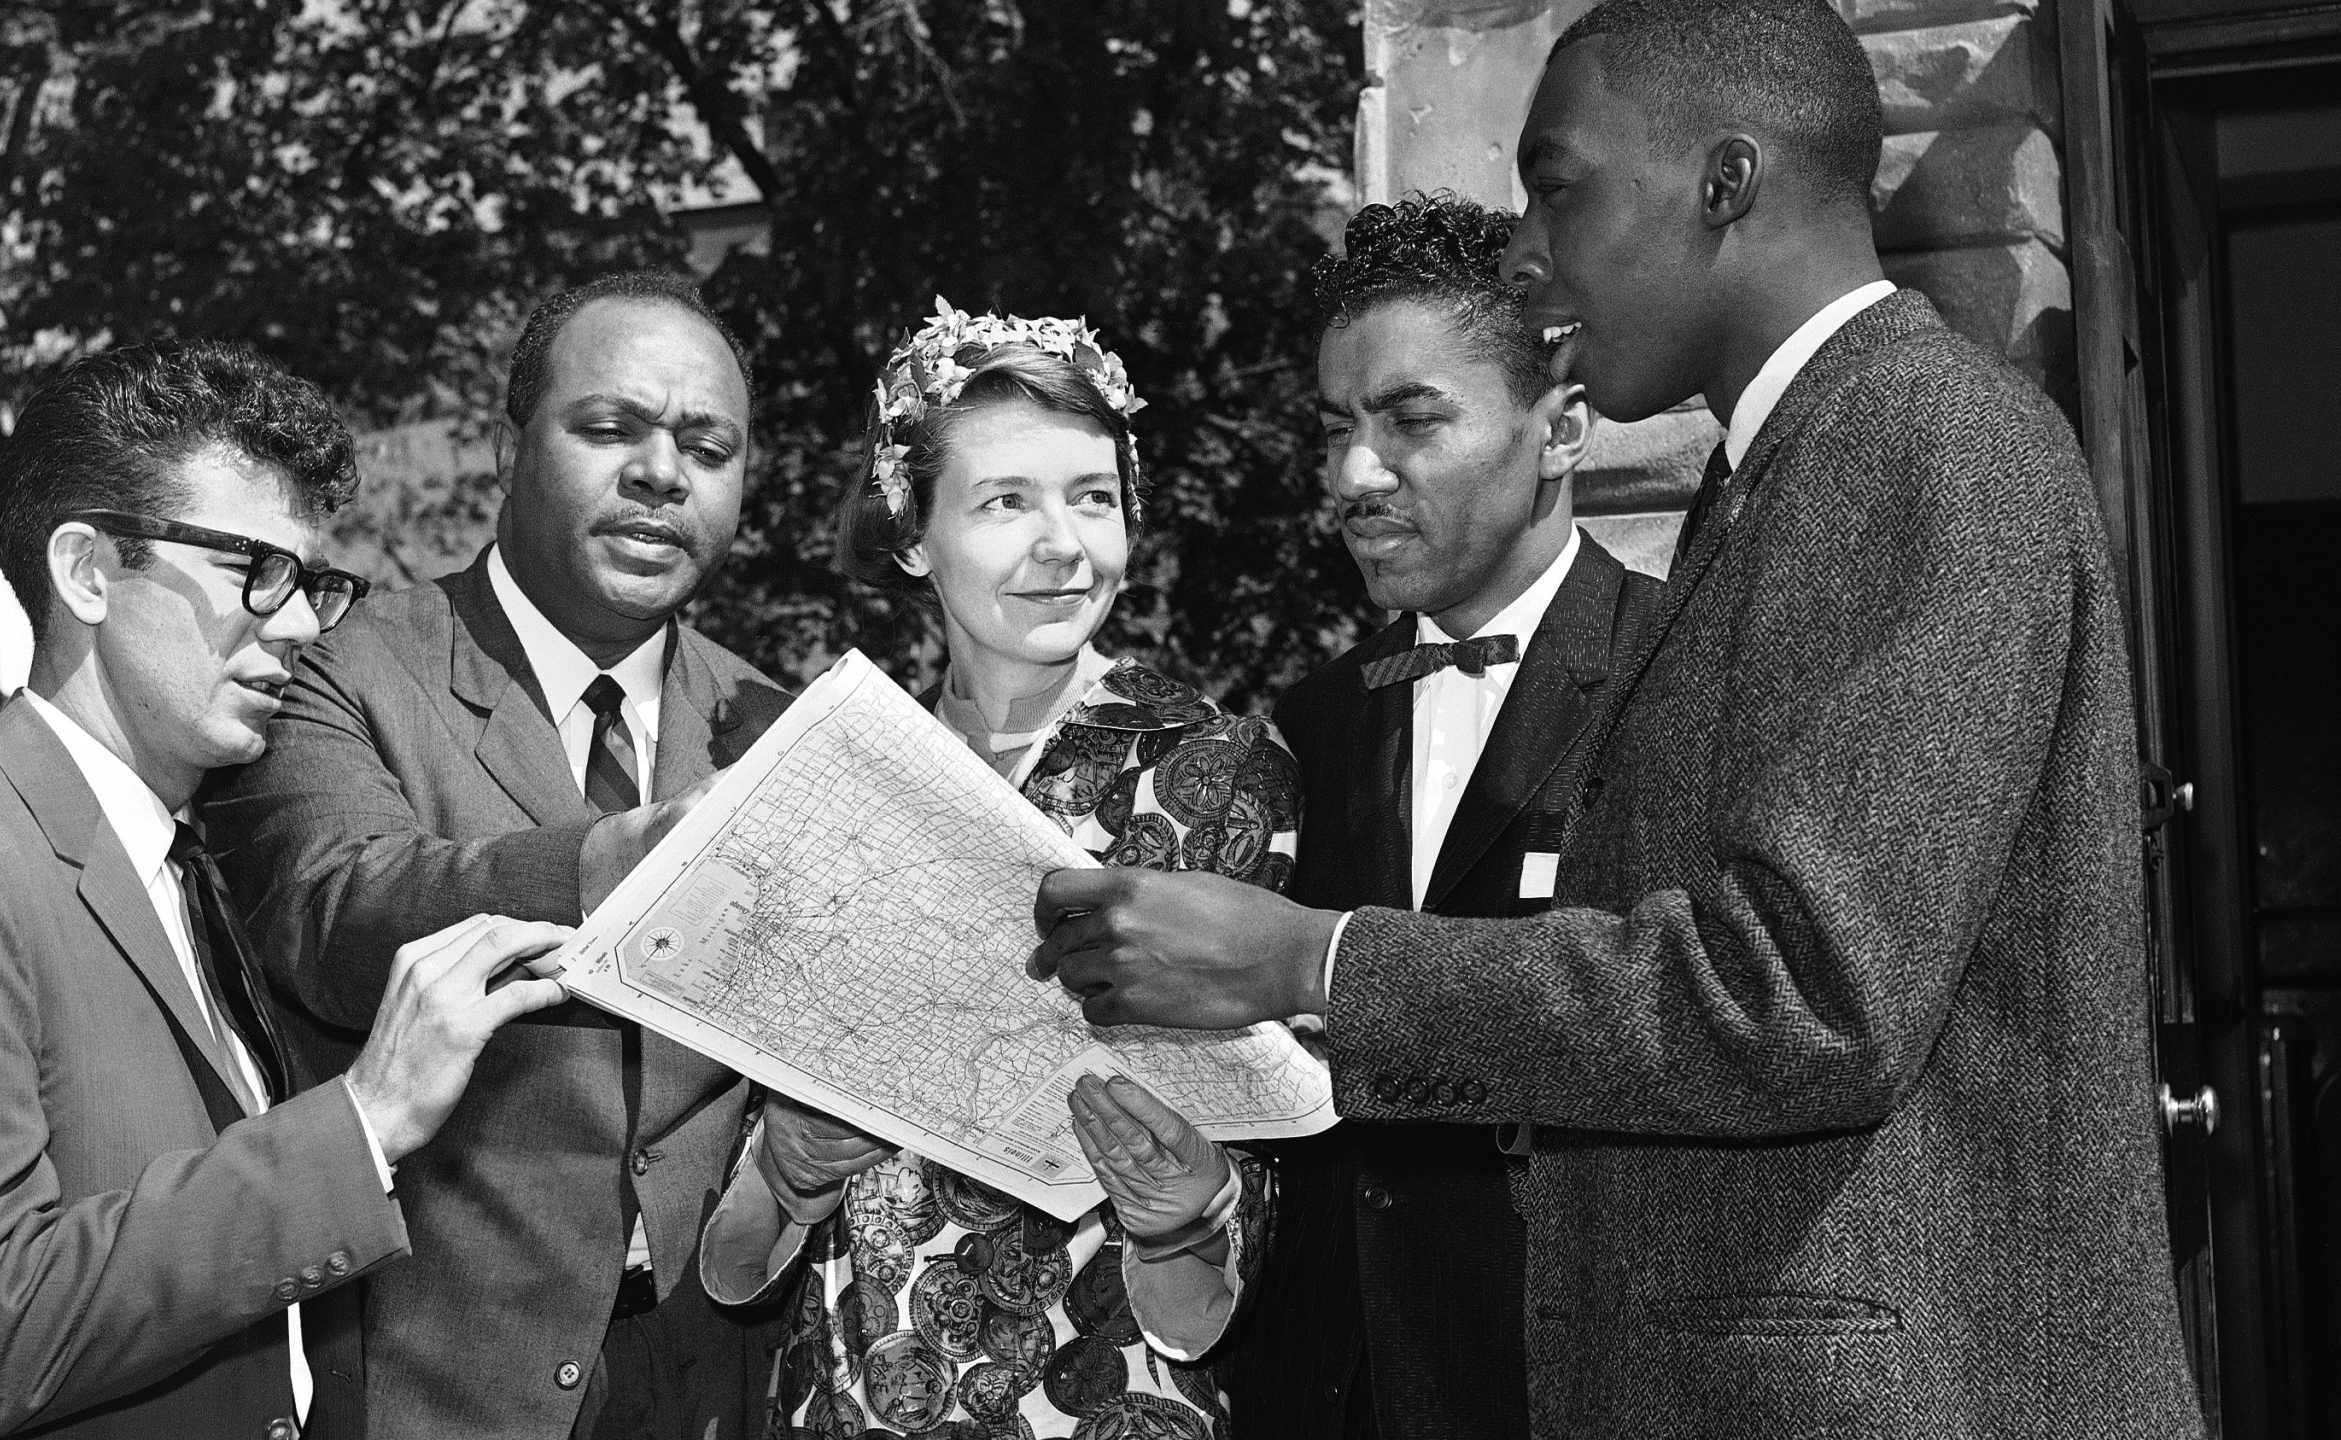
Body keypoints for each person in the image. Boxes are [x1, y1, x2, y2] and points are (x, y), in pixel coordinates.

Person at [1029, 0, 2207, 1434]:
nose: (1529, 251)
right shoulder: (1786, 470)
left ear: (1725, 183)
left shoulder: (1923, 441)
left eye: (1558, 183)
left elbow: (1805, 995)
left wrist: (1313, 962)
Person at [0, 341, 573, 1440]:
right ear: (89, 573)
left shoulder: (185, 859)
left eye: (311, 581)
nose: (299, 624)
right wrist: (360, 1124)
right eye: (253, 566)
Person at [693, 302, 1302, 1437]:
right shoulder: (834, 776)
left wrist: (1185, 1210)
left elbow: (1251, 1181)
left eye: (1092, 497)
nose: (1063, 544)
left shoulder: (1217, 768)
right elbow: (739, 1252)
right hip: (843, 1399)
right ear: (913, 531)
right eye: (1004, 501)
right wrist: (783, 1165)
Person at [199, 271, 790, 1439]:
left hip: (715, 1375)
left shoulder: (777, 723)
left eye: (706, 447)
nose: (661, 473)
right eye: (610, 427)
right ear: (510, 444)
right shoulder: (334, 667)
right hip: (440, 1382)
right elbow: (333, 913)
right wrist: (616, 860)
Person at [1223, 194, 1660, 1440]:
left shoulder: (1679, 671)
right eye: (1336, 430)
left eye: (1412, 419)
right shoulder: (1302, 723)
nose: (1356, 475)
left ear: (1560, 427)